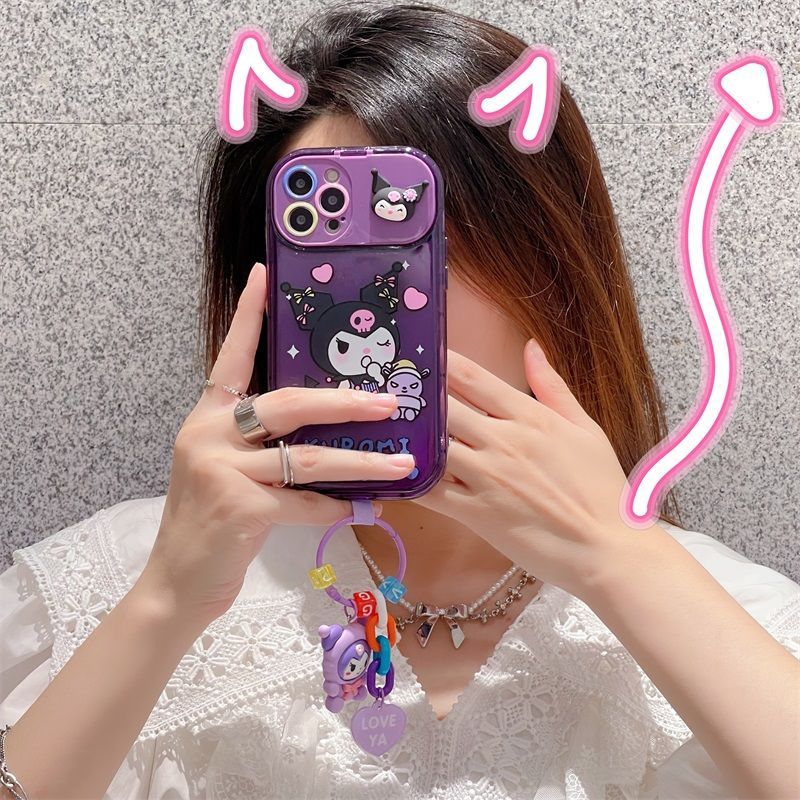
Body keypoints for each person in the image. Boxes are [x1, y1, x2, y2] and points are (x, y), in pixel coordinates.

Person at [1, 3, 798, 799]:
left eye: (421, 243)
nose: (380, 306)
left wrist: (616, 556)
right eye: (332, 252)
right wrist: (165, 601)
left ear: (551, 263)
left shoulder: (737, 620)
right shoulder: (117, 579)